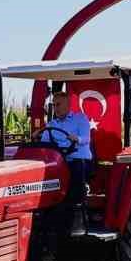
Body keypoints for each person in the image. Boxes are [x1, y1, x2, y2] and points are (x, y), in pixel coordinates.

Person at [42, 84, 95, 234]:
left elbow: (86, 139)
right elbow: (45, 141)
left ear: (67, 104)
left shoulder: (80, 119)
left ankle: (76, 216)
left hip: (79, 160)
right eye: (54, 105)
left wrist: (76, 138)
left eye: (59, 104)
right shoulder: (52, 124)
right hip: (60, 162)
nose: (56, 108)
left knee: (74, 178)